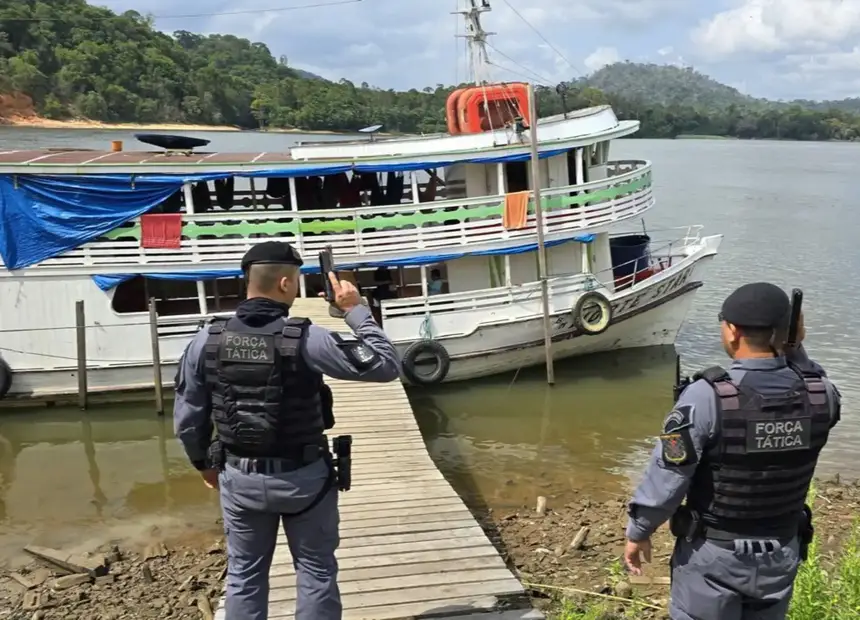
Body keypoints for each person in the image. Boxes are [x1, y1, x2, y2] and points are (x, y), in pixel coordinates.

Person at [173, 241, 401, 620]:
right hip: (304, 481)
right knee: (315, 572)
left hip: (239, 479)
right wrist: (354, 310)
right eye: (296, 282)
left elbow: (188, 417)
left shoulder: (206, 340)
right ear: (284, 283)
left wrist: (202, 464)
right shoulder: (307, 339)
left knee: (244, 577)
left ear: (247, 281)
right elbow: (385, 365)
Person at [624, 282, 842, 620]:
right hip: (781, 554)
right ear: (790, 330)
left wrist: (639, 531)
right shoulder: (822, 396)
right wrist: (795, 348)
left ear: (732, 331)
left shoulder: (704, 397)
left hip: (714, 559)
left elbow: (669, 473)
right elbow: (813, 380)